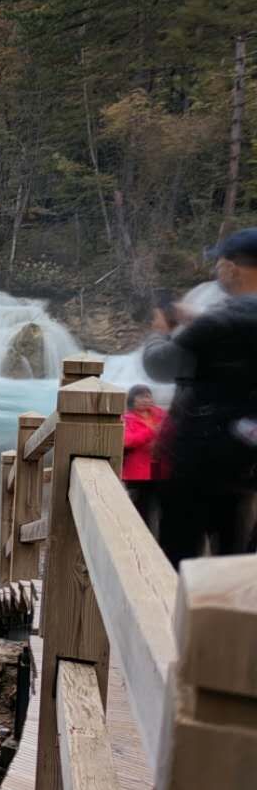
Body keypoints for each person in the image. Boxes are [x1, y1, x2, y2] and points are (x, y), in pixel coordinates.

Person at [142, 227, 257, 565]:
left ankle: (179, 615)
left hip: (200, 458)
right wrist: (198, 321)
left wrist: (160, 332)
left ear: (232, 268)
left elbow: (159, 366)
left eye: (219, 263)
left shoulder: (220, 322)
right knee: (236, 559)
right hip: (247, 462)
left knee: (180, 559)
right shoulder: (223, 319)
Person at [121, 384, 165, 530]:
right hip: (136, 472)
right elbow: (128, 441)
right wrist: (151, 432)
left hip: (157, 466)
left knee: (159, 506)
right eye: (141, 396)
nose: (146, 399)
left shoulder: (160, 414)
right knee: (141, 508)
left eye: (148, 396)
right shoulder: (126, 419)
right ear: (132, 400)